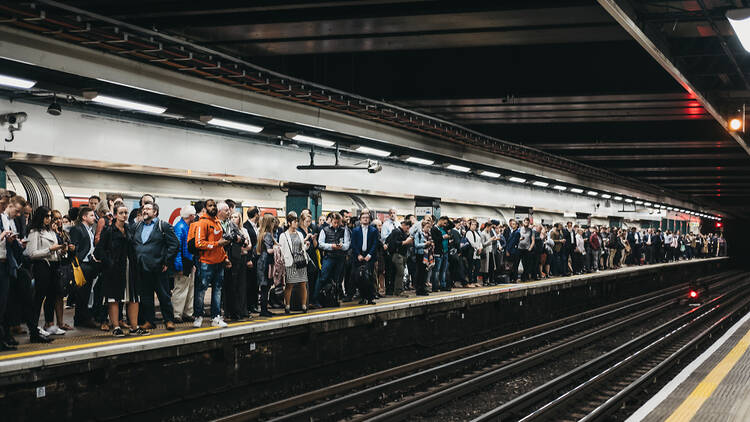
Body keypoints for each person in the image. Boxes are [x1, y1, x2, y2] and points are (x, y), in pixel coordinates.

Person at [95, 204, 149, 336]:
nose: (124, 215)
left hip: (130, 267)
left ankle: (134, 327)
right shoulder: (109, 230)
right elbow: (99, 250)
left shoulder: (129, 229)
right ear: (115, 215)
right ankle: (116, 327)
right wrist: (109, 262)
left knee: (133, 297)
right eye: (121, 213)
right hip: (114, 269)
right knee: (114, 298)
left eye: (126, 212)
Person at [131, 203, 179, 330]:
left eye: (148, 209)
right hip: (142, 267)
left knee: (164, 295)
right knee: (146, 296)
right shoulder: (136, 226)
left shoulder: (163, 226)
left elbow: (174, 244)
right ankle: (149, 321)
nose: (145, 211)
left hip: (158, 267)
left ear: (155, 212)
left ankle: (169, 320)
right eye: (143, 209)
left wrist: (167, 262)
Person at [24, 206, 65, 342]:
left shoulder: (51, 231)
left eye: (50, 216)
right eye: (46, 216)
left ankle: (48, 324)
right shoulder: (34, 231)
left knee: (51, 296)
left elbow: (55, 249)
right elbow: (32, 253)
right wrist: (49, 249)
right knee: (39, 297)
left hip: (54, 265)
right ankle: (34, 328)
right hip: (42, 266)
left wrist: (61, 250)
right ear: (40, 217)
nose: (49, 219)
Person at [193, 199, 232, 327]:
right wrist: (217, 244)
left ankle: (216, 317)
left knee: (217, 290)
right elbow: (199, 243)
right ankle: (198, 316)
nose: (213, 207)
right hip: (205, 262)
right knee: (201, 290)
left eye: (214, 205)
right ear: (205, 208)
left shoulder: (217, 223)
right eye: (210, 205)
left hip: (219, 262)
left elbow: (220, 244)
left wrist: (225, 257)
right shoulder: (202, 223)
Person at [69, 206, 104, 329]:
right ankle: (81, 318)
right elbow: (74, 247)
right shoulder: (77, 229)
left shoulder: (90, 229)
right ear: (84, 217)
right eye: (92, 215)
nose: (94, 218)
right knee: (82, 294)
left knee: (86, 293)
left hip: (90, 264)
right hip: (82, 264)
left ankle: (83, 318)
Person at [312, 212, 350, 307]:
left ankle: (333, 299)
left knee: (337, 280)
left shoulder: (344, 230)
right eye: (334, 222)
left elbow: (347, 244)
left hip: (340, 258)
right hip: (328, 257)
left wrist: (341, 247)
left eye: (338, 222)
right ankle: (315, 299)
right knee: (323, 278)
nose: (336, 225)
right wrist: (331, 246)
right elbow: (320, 244)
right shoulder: (324, 230)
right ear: (331, 221)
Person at [279, 212, 311, 313]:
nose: (296, 224)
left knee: (303, 284)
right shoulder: (283, 235)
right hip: (290, 263)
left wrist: (306, 246)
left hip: (300, 262)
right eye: (294, 222)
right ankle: (287, 305)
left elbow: (301, 248)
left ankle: (303, 305)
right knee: (289, 285)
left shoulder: (300, 234)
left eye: (297, 222)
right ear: (289, 223)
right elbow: (281, 250)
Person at [225, 210, 251, 320]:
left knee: (242, 286)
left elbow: (249, 245)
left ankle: (242, 309)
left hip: (242, 259)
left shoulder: (243, 230)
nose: (234, 219)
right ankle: (232, 311)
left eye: (236, 217)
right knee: (232, 286)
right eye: (232, 217)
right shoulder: (228, 229)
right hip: (233, 258)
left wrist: (243, 247)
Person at [172, 205, 196, 323]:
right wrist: (179, 266)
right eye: (194, 215)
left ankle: (187, 312)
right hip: (183, 261)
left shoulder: (185, 226)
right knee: (181, 288)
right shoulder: (180, 227)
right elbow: (177, 249)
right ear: (191, 216)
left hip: (188, 261)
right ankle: (177, 313)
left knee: (189, 288)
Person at [350, 209, 379, 304]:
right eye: (363, 218)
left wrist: (369, 255)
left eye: (367, 218)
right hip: (358, 256)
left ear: (369, 219)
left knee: (369, 277)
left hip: (369, 256)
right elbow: (353, 244)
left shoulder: (374, 230)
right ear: (360, 219)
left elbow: (375, 244)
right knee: (359, 277)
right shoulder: (355, 230)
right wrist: (358, 254)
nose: (365, 219)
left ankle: (370, 297)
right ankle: (363, 297)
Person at [385, 218, 412, 297]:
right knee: (400, 273)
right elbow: (393, 243)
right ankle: (398, 290)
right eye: (407, 227)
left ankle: (397, 289)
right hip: (397, 255)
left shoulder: (402, 232)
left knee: (399, 273)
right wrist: (404, 242)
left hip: (402, 255)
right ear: (403, 225)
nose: (408, 229)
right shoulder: (397, 232)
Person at [256, 214, 277, 317]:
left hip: (261, 261)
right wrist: (278, 249)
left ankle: (264, 309)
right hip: (266, 263)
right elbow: (269, 250)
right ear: (270, 223)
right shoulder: (268, 234)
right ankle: (264, 310)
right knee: (266, 287)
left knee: (264, 287)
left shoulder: (261, 233)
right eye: (273, 222)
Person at [243, 206, 260, 314]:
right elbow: (247, 244)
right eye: (259, 213)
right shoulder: (246, 227)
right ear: (256, 214)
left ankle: (253, 304)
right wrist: (248, 259)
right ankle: (250, 305)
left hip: (256, 259)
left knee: (255, 282)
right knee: (250, 283)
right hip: (250, 259)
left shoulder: (255, 226)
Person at [465, 219, 482, 287]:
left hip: (477, 253)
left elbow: (480, 241)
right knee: (470, 267)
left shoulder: (476, 233)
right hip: (471, 252)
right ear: (469, 225)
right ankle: (470, 281)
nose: (474, 226)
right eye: (472, 224)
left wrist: (480, 248)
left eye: (475, 225)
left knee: (478, 266)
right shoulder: (468, 233)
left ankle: (475, 281)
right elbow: (471, 243)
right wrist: (478, 248)